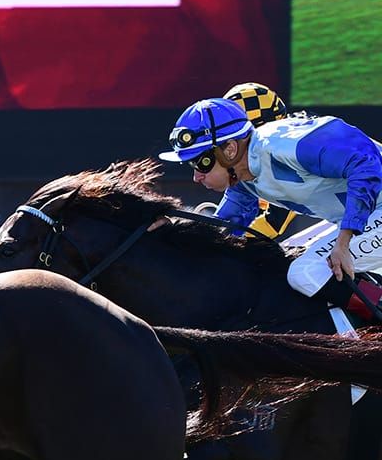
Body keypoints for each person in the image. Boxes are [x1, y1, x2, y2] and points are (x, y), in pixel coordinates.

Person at [159, 96, 382, 320]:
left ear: (230, 150)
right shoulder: (243, 177)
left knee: (304, 271)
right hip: (370, 216)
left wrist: (343, 241)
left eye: (200, 162)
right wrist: (170, 231)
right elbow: (223, 227)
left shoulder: (283, 145)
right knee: (292, 260)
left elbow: (366, 163)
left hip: (374, 211)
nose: (196, 176)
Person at [223, 82, 303, 241]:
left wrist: (228, 243)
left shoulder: (288, 156)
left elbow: (274, 222)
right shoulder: (256, 157)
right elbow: (228, 214)